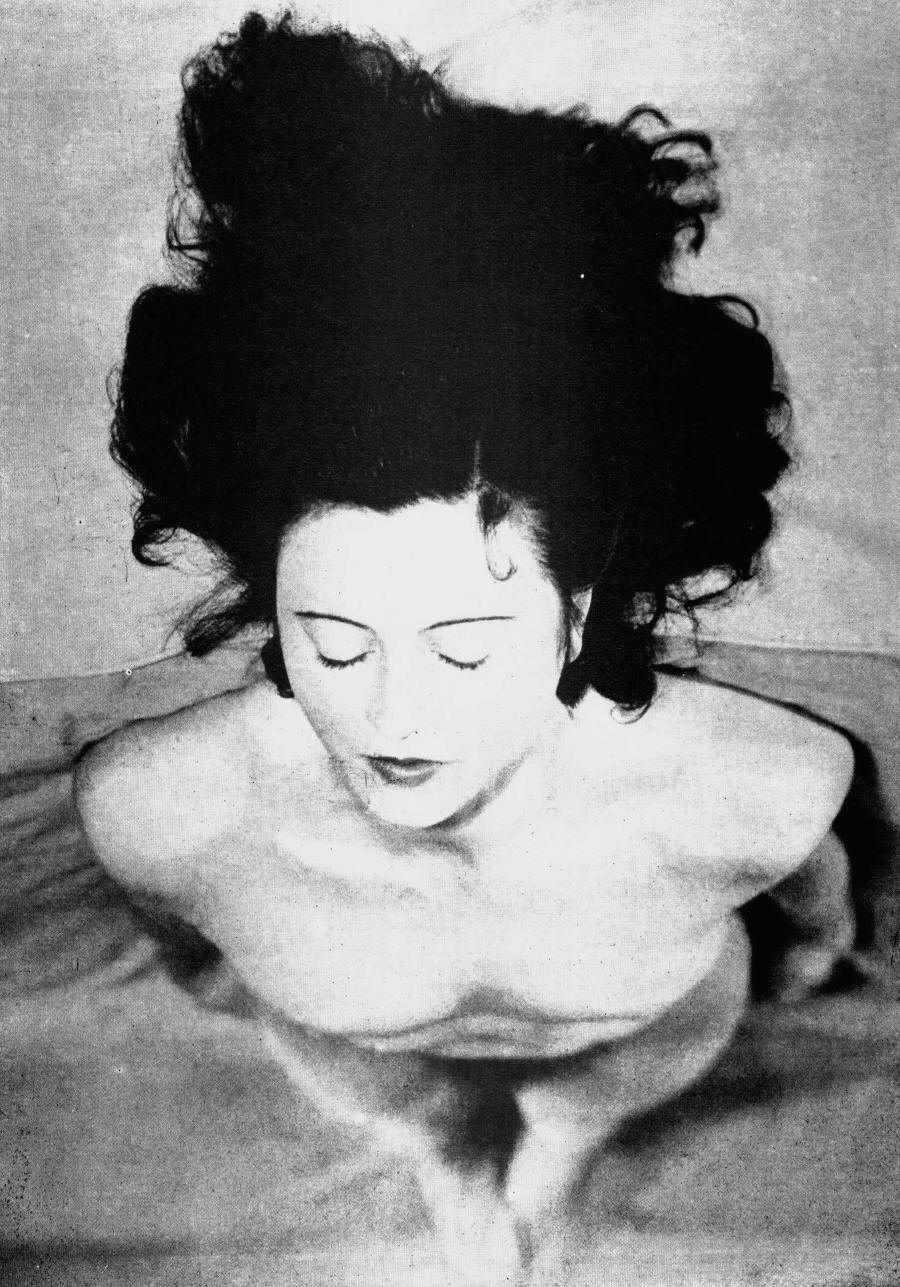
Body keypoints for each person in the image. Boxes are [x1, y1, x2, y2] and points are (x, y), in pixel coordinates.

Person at [73, 12, 856, 1282]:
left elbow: (815, 906)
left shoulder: (761, 783)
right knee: (416, 1122)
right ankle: (444, 1158)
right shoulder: (156, 808)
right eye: (335, 644)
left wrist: (813, 953)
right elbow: (183, 942)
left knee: (582, 1111)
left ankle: (566, 1148)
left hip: (635, 1047)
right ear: (269, 603)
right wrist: (231, 972)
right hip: (362, 1058)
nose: (395, 717)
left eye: (465, 649)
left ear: (582, 612)